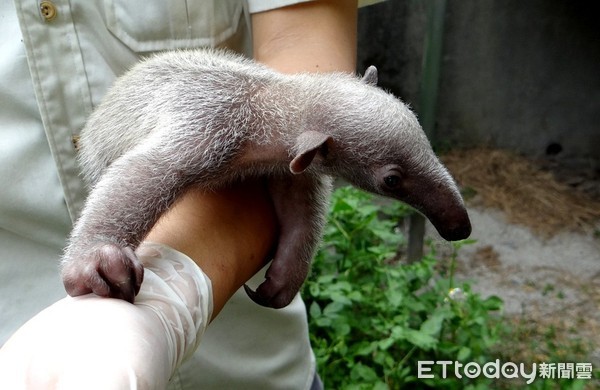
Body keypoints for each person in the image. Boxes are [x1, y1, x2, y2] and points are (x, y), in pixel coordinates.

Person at [0, 0, 371, 388]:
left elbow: (305, 63)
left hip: (249, 366)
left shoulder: (292, 140)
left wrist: (171, 297)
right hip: (21, 349)